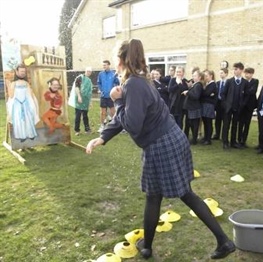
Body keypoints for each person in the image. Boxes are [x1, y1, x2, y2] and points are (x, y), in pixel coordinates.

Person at [86, 39, 235, 260]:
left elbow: (132, 123)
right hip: (168, 139)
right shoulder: (136, 81)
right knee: (154, 195)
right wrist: (103, 137)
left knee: (181, 194)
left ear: (120, 59)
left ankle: (223, 242)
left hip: (162, 143)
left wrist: (116, 101)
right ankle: (147, 245)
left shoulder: (133, 84)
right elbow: (127, 117)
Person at [6, 63, 39, 142]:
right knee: (19, 120)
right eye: (21, 71)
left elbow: (30, 95)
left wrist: (33, 102)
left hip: (26, 104)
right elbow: (11, 96)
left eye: (24, 71)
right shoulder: (14, 83)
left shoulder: (26, 83)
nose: (23, 73)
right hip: (17, 105)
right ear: (17, 72)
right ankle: (21, 136)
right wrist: (8, 85)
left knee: (28, 119)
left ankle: (30, 134)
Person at [221, 62, 247, 149]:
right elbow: (223, 94)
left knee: (235, 125)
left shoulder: (244, 82)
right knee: (226, 125)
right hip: (229, 107)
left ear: (241, 70)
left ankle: (233, 142)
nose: (234, 71)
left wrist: (242, 104)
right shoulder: (229, 81)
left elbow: (246, 95)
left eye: (236, 69)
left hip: (238, 107)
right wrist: (225, 104)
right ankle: (225, 142)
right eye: (234, 69)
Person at [238, 67, 259, 147]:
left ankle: (244, 140)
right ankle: (239, 139)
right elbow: (241, 92)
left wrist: (244, 91)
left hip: (250, 105)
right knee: (240, 123)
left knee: (247, 124)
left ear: (252, 74)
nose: (247, 75)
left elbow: (252, 91)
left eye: (248, 73)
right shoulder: (242, 81)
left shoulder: (255, 81)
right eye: (246, 73)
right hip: (242, 105)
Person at [97, 60, 120, 133]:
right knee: (102, 112)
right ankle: (102, 126)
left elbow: (117, 83)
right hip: (103, 96)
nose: (104, 66)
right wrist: (101, 90)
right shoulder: (100, 74)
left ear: (109, 65)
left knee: (113, 112)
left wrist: (114, 90)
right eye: (103, 65)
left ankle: (115, 126)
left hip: (111, 97)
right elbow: (99, 83)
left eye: (105, 65)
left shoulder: (113, 74)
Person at [182, 70, 203, 145]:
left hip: (194, 108)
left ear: (199, 77)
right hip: (191, 107)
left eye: (195, 76)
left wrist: (187, 92)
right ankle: (191, 138)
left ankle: (194, 140)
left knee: (194, 124)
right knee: (190, 123)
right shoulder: (195, 85)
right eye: (193, 75)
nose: (193, 77)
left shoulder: (198, 85)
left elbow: (196, 96)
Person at [73, 67, 93, 135]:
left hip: (86, 100)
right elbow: (77, 87)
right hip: (79, 98)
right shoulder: (80, 78)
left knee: (85, 115)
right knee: (78, 115)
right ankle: (77, 130)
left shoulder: (89, 81)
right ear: (85, 71)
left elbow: (90, 92)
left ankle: (87, 129)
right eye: (87, 71)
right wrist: (79, 96)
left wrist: (90, 101)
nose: (88, 73)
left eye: (90, 72)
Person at [200, 70, 218, 145]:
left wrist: (205, 94)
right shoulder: (207, 84)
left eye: (207, 76)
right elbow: (206, 94)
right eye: (205, 76)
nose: (205, 77)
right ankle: (206, 137)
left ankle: (208, 139)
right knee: (205, 122)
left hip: (209, 106)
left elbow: (206, 93)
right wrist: (207, 95)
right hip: (205, 105)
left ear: (211, 76)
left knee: (208, 122)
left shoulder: (213, 84)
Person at [212, 68, 228, 140]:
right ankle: (217, 134)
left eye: (222, 73)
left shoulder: (228, 83)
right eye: (220, 73)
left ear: (226, 74)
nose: (220, 74)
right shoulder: (218, 83)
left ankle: (224, 136)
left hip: (225, 103)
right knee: (217, 120)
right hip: (218, 103)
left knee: (225, 120)